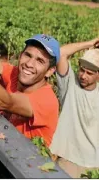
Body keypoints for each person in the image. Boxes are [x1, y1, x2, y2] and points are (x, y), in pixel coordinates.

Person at [0, 33, 60, 147]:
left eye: (40, 61)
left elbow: (2, 101)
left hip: (24, 162)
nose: (29, 64)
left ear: (50, 71)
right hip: (1, 148)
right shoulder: (15, 74)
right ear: (21, 54)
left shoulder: (47, 100)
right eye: (28, 55)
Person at [49, 38, 99, 178]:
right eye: (82, 70)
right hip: (69, 159)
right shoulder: (70, 85)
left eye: (89, 73)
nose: (83, 76)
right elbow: (61, 53)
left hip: (95, 163)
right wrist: (90, 44)